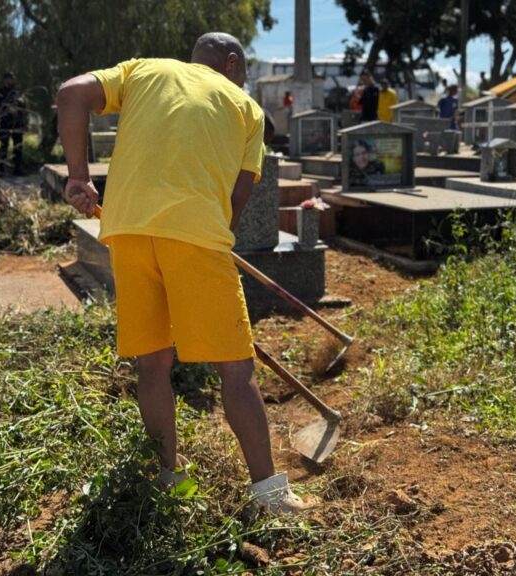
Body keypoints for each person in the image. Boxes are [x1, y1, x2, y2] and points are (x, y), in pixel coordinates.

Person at [57, 32, 309, 514]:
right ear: (233, 64)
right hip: (195, 237)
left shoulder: (143, 69)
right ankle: (272, 497)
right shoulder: (246, 108)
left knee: (152, 364)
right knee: (235, 371)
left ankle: (168, 478)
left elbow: (71, 93)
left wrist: (78, 175)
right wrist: (216, 235)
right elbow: (237, 201)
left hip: (127, 231)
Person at [0, 72, 27, 175]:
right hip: (5, 124)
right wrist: (7, 108)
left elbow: (23, 105)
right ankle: (1, 169)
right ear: (5, 80)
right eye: (9, 79)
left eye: (12, 79)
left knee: (18, 147)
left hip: (17, 124)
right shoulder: (0, 93)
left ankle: (17, 169)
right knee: (4, 146)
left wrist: (20, 102)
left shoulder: (16, 92)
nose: (11, 81)